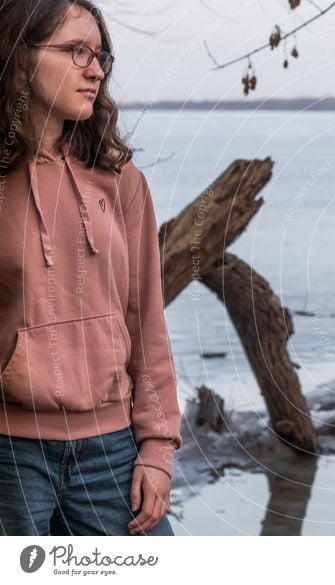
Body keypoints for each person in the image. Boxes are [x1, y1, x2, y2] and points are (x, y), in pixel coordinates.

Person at [0, 0, 182, 536]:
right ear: (19, 57)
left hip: (111, 449)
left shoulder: (120, 181)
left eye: (99, 55)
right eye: (76, 51)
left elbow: (144, 317)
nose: (96, 70)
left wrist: (156, 445)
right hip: (10, 450)